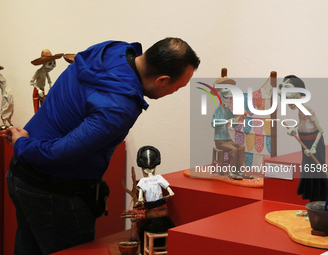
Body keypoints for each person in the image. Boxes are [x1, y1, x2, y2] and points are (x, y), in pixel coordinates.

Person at [1, 38, 200, 255]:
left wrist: (24, 144)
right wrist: (22, 143)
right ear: (162, 80)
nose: (175, 92)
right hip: (52, 189)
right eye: (177, 88)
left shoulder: (113, 49)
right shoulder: (119, 107)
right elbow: (59, 153)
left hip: (22, 175)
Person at [279, 75, 328, 202]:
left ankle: (320, 201)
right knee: (307, 170)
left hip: (314, 144)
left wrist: (314, 147)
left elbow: (320, 130)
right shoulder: (300, 111)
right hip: (305, 141)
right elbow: (302, 121)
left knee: (317, 171)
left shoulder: (308, 110)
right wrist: (294, 127)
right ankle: (312, 200)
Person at [135, 145, 175, 253]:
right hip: (159, 217)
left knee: (142, 230)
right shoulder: (152, 179)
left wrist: (140, 199)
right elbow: (169, 190)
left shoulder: (154, 179)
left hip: (155, 216)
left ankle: (145, 252)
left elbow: (140, 196)